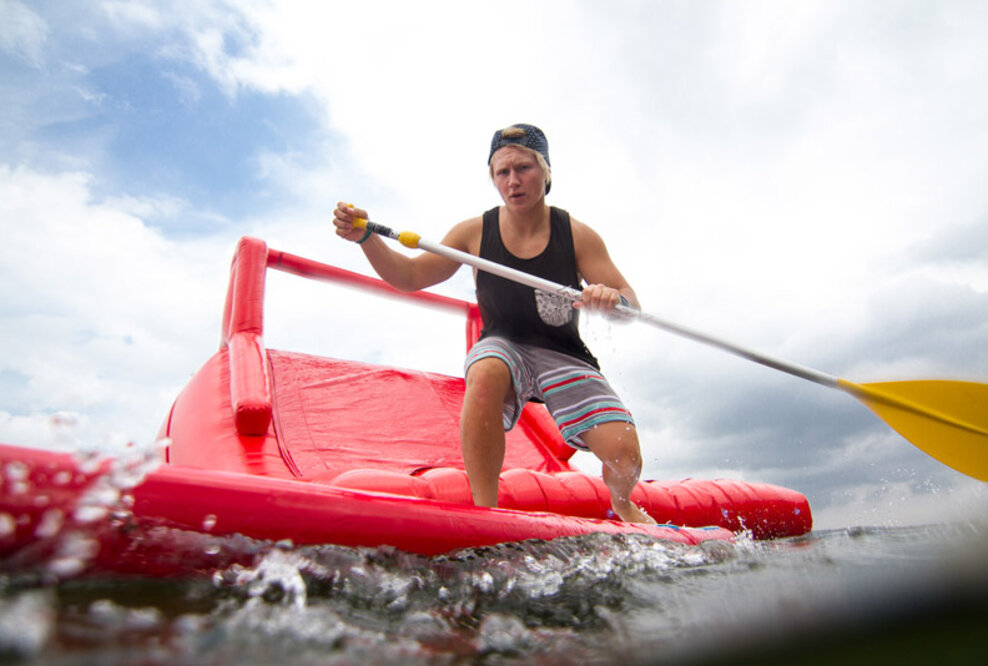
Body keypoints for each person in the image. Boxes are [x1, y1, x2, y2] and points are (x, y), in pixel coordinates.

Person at [332, 123, 655, 524]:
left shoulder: (576, 235)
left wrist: (613, 300)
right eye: (502, 172)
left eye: (524, 168)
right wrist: (367, 238)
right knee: (485, 367)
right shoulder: (473, 233)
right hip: (504, 345)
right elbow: (409, 277)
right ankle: (486, 514)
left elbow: (630, 301)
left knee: (625, 457)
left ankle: (622, 503)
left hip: (564, 355)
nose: (513, 181)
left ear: (547, 172)